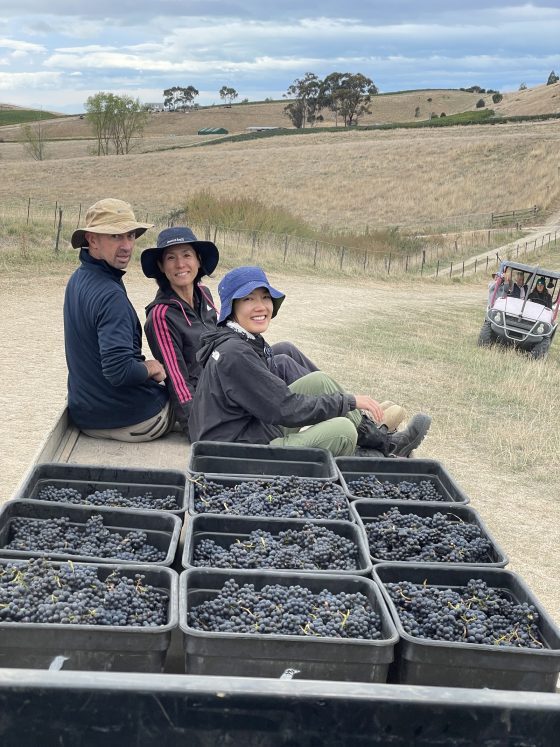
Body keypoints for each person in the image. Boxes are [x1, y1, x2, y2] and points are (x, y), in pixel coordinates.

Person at [142, 227, 406, 438]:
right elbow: (176, 377)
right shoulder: (162, 315)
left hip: (228, 375)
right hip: (212, 395)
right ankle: (359, 424)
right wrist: (195, 423)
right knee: (279, 361)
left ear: (198, 261)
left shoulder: (205, 296)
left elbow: (230, 336)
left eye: (186, 255)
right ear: (162, 267)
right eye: (171, 257)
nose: (180, 264)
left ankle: (356, 413)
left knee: (285, 349)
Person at [188, 265, 431, 458]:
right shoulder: (235, 353)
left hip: (247, 431)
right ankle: (365, 452)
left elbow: (277, 402)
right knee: (342, 431)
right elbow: (285, 408)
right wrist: (349, 401)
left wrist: (344, 403)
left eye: (264, 297)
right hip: (235, 455)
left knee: (320, 381)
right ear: (232, 308)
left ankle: (383, 443)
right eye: (248, 299)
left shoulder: (239, 340)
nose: (260, 306)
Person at [63, 198, 172, 442]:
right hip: (133, 418)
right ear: (92, 239)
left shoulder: (78, 279)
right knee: (199, 401)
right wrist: (151, 367)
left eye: (130, 236)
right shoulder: (111, 297)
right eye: (115, 237)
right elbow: (119, 371)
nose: (126, 246)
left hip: (87, 414)